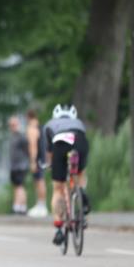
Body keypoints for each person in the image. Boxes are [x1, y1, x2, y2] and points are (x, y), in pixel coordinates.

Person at [42, 104, 90, 246]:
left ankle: (58, 227)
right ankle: (81, 193)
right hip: (79, 141)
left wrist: (51, 165)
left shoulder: (49, 125)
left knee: (58, 188)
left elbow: (49, 153)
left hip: (60, 142)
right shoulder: (79, 123)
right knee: (80, 173)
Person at [26, 109, 48, 217]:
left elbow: (33, 146)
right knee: (40, 180)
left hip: (37, 158)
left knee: (39, 181)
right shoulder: (41, 127)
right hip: (43, 158)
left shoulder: (32, 129)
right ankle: (41, 204)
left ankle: (41, 205)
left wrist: (33, 161)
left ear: (28, 117)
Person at [8, 116, 29, 215]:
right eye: (11, 125)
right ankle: (18, 206)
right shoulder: (12, 137)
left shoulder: (22, 136)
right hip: (13, 166)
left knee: (20, 186)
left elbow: (27, 150)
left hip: (21, 165)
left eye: (14, 125)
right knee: (16, 186)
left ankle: (19, 207)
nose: (13, 127)